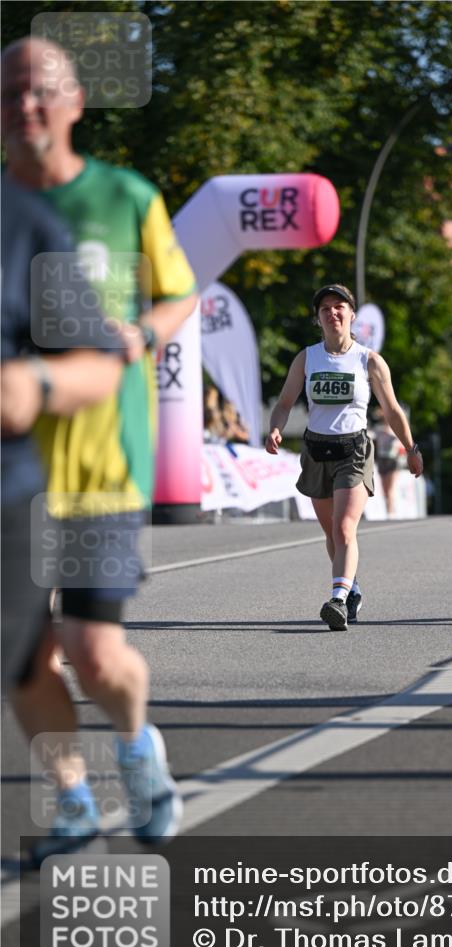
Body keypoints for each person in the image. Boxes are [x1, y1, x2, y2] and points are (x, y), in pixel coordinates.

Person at [2, 36, 198, 861]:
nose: (27, 106)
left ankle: (138, 750)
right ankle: (74, 801)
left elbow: (180, 298)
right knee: (21, 659)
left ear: (76, 102)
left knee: (91, 649)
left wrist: (130, 341)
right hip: (13, 477)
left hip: (100, 464)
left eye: (43, 90)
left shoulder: (125, 195)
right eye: (12, 92)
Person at [1, 175, 123, 693]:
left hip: (55, 482)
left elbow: (100, 365)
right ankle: (72, 778)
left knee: (90, 654)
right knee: (38, 660)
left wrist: (37, 381)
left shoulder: (23, 221)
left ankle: (131, 743)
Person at [265, 283, 423, 630]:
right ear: (318, 319)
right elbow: (284, 403)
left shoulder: (369, 360)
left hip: (353, 450)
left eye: (340, 307)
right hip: (316, 450)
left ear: (352, 315)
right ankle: (351, 589)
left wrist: (411, 449)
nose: (333, 313)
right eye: (325, 309)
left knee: (344, 528)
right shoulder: (307, 358)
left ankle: (337, 600)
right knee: (331, 534)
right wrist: (277, 428)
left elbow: (393, 410)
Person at [373, 413, 406, 516]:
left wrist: (389, 433)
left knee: (390, 488)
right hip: (382, 459)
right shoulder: (378, 429)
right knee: (384, 489)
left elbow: (400, 440)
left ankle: (391, 513)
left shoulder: (395, 429)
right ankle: (389, 509)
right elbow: (372, 438)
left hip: (393, 459)